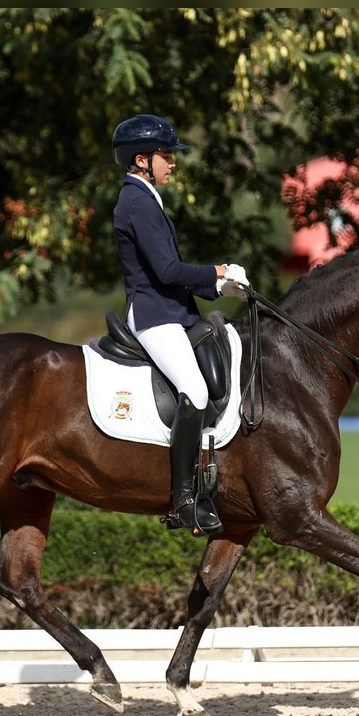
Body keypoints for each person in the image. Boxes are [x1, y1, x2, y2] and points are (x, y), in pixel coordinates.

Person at [111, 113, 249, 536]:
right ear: (140, 160)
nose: (172, 163)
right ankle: (184, 499)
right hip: (154, 315)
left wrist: (218, 287)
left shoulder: (146, 197)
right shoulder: (136, 201)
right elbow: (169, 271)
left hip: (171, 310)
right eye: (165, 155)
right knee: (195, 389)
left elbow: (168, 275)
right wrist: (217, 270)